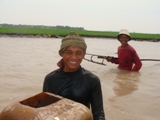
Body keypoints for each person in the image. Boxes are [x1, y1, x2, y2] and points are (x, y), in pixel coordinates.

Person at [43, 32, 106, 120]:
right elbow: (45, 112)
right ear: (62, 53)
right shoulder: (50, 79)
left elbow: (99, 114)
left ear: (84, 54)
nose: (74, 57)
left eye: (78, 53)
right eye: (69, 52)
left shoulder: (92, 80)